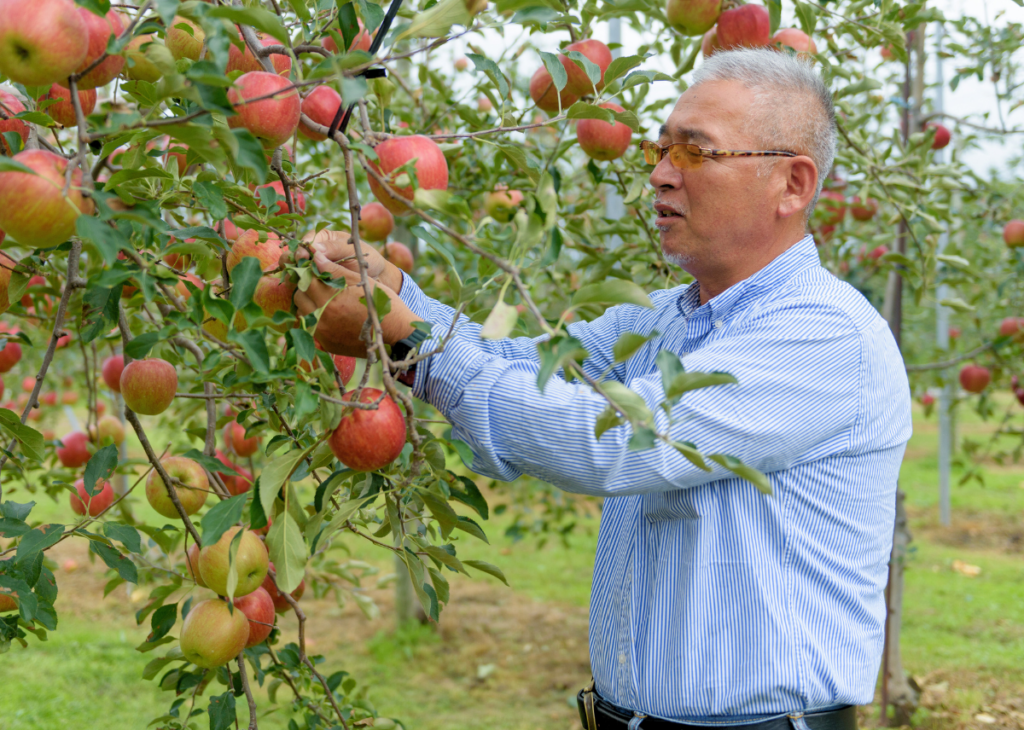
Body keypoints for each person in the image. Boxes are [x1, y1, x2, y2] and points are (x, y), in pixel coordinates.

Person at [294, 48, 912, 730]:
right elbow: (515, 367)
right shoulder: (656, 320)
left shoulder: (825, 337)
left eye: (695, 154)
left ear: (792, 183)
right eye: (659, 151)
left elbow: (615, 440)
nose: (658, 174)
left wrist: (409, 338)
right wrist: (398, 295)